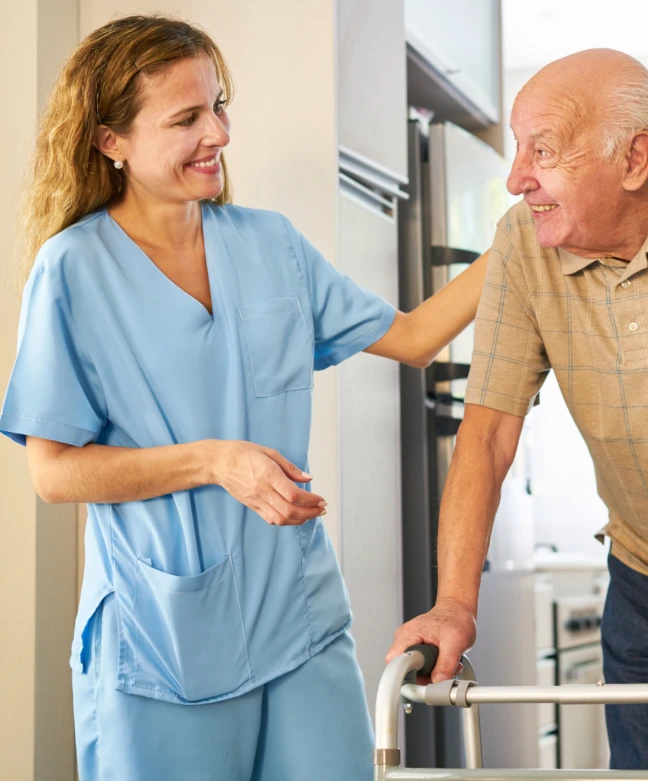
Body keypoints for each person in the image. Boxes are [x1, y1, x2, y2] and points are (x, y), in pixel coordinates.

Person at [0, 15, 488, 781]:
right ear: (111, 142)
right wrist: (213, 461)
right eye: (187, 118)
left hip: (297, 619)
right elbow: (54, 472)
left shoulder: (272, 245)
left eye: (219, 107)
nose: (218, 134)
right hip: (162, 640)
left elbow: (415, 336)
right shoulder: (72, 273)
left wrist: (525, 236)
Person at [388, 48, 648, 771]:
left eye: (541, 151)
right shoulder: (524, 241)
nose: (517, 178)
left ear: (635, 158)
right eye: (519, 150)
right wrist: (454, 601)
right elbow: (485, 434)